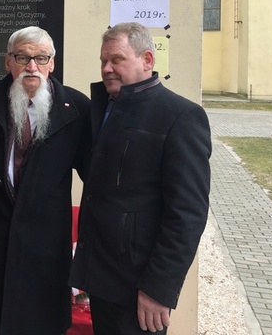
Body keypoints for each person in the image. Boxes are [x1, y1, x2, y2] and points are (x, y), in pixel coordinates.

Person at [70, 22, 211, 335]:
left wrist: (159, 289)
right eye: (103, 61)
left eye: (117, 60)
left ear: (148, 60)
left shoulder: (180, 117)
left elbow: (187, 215)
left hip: (139, 285)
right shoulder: (106, 109)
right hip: (103, 277)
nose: (107, 68)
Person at [0, 26, 91, 335]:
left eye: (41, 58)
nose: (32, 67)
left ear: (52, 63)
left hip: (45, 250)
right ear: (7, 62)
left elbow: (95, 174)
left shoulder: (77, 108)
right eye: (22, 57)